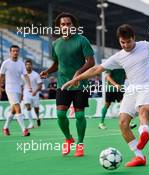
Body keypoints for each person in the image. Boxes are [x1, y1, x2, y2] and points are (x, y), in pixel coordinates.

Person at [61, 24, 149, 167]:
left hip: (147, 86)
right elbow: (97, 69)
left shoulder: (146, 46)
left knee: (144, 110)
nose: (125, 45)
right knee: (123, 123)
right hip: (131, 89)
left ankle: (144, 132)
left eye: (128, 42)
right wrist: (75, 79)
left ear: (133, 38)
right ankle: (139, 156)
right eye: (122, 42)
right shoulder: (119, 57)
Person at [40, 12, 95, 157]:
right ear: (59, 27)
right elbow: (57, 63)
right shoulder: (56, 44)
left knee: (80, 116)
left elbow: (91, 62)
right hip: (63, 84)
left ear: (74, 26)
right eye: (63, 24)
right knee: (60, 114)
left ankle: (80, 144)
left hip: (80, 84)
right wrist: (48, 71)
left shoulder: (82, 40)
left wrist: (79, 72)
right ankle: (69, 139)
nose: (65, 26)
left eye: (68, 24)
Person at [0, 45, 32, 136]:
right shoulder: (5, 63)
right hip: (10, 89)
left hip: (18, 89)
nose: (15, 52)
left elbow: (26, 76)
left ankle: (5, 127)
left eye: (17, 51)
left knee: (13, 109)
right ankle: (24, 130)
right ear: (10, 52)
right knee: (17, 107)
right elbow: (1, 77)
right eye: (13, 51)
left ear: (19, 52)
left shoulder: (21, 64)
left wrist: (29, 86)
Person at [23, 59, 43, 128]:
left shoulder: (36, 75)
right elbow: (21, 85)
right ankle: (31, 123)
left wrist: (35, 91)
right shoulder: (23, 75)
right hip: (26, 93)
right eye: (27, 65)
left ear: (32, 66)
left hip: (35, 94)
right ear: (25, 66)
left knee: (36, 108)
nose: (28, 66)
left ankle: (37, 118)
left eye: (29, 64)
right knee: (27, 107)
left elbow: (40, 85)